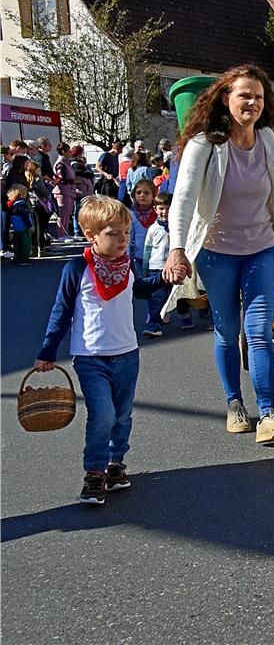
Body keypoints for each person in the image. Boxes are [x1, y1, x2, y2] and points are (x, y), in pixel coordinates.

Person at [162, 64, 274, 445]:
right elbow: (184, 199)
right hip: (216, 251)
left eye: (258, 96)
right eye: (245, 95)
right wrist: (176, 249)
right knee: (227, 331)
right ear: (226, 98)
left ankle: (269, 414)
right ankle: (234, 403)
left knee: (259, 332)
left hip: (263, 249)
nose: (253, 102)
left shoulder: (271, 142)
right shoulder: (205, 145)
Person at [33, 196, 166, 504]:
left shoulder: (126, 266)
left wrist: (165, 278)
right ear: (91, 235)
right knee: (102, 415)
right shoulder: (77, 268)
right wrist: (47, 351)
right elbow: (61, 312)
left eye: (126, 232)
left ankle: (115, 463)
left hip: (127, 354)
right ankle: (94, 473)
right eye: (113, 233)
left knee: (122, 415)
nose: (123, 240)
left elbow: (141, 288)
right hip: (91, 357)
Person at [142, 192, 193, 334]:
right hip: (158, 268)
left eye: (169, 208)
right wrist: (145, 270)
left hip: (176, 267)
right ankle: (153, 324)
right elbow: (147, 250)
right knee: (157, 297)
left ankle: (185, 318)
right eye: (161, 208)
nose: (165, 212)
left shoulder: (179, 230)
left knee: (180, 294)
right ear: (155, 210)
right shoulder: (153, 229)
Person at [52, 142, 78, 241]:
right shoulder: (60, 163)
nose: (70, 153)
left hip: (69, 190)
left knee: (67, 213)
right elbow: (60, 177)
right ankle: (61, 234)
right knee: (63, 213)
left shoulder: (66, 162)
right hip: (62, 190)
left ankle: (66, 233)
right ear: (63, 151)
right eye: (68, 151)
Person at [6, 186, 33, 264]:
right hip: (22, 227)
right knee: (25, 243)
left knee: (17, 243)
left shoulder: (11, 204)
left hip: (15, 227)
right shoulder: (21, 204)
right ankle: (24, 258)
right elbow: (25, 216)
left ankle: (17, 257)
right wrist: (29, 226)